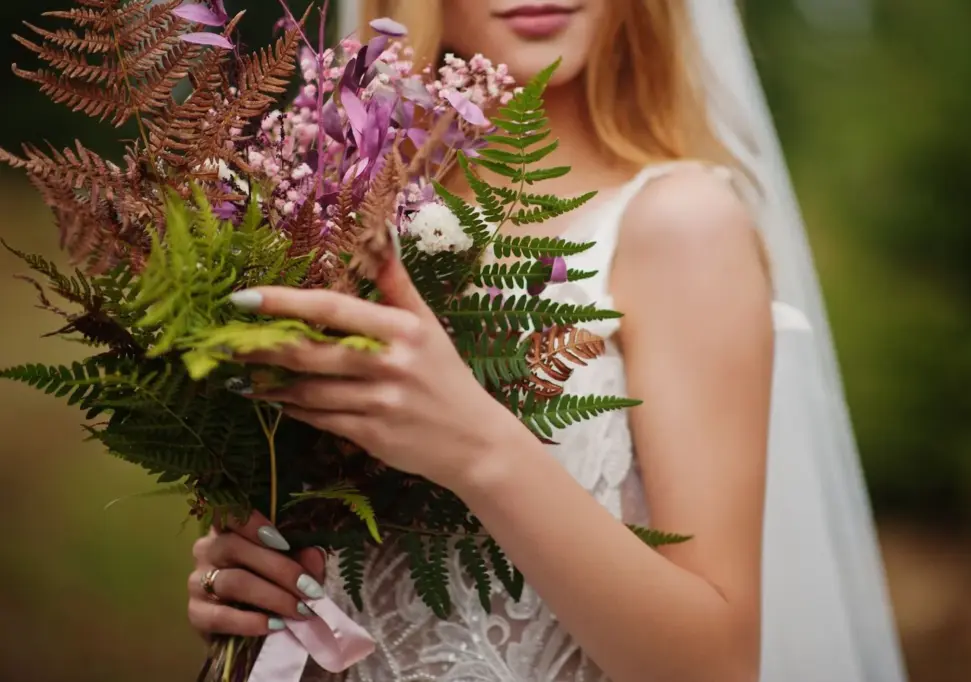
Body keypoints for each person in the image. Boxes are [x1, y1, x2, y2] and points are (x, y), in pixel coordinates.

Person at [186, 2, 907, 681]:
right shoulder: (324, 216)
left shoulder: (682, 227)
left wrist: (474, 444)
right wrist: (251, 580)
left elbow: (716, 664)